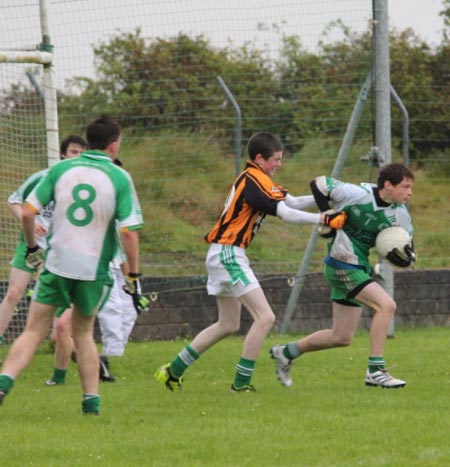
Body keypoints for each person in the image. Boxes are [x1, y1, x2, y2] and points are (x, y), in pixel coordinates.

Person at [154, 131, 347, 393]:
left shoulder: (258, 178)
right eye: (276, 159)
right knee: (265, 317)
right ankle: (241, 384)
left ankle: (172, 371)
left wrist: (334, 193)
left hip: (225, 252)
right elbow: (287, 214)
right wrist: (323, 219)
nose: (279, 164)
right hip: (228, 253)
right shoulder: (253, 180)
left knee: (228, 324)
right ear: (259, 158)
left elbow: (291, 201)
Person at [0, 115, 145, 415]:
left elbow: (28, 214)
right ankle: (91, 404)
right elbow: (129, 231)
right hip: (93, 269)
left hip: (56, 263)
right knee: (84, 333)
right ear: (114, 145)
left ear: (88, 142)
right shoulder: (120, 177)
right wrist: (133, 273)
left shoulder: (60, 170)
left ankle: (3, 384)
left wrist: (30, 247)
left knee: (33, 331)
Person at [270, 163, 415, 389]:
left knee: (341, 336)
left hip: (358, 267)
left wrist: (406, 257)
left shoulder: (400, 214)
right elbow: (319, 183)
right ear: (388, 184)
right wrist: (326, 214)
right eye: (405, 187)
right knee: (386, 306)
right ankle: (375, 371)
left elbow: (406, 243)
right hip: (342, 264)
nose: (410, 192)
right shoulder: (357, 194)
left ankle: (286, 352)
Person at [0, 135, 88, 348]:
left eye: (81, 154)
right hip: (31, 244)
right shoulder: (43, 177)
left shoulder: (81, 187)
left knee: (46, 300)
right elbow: (14, 201)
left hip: (58, 250)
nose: (77, 157)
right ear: (63, 154)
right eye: (74, 152)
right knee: (14, 292)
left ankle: (56, 343)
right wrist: (26, 220)